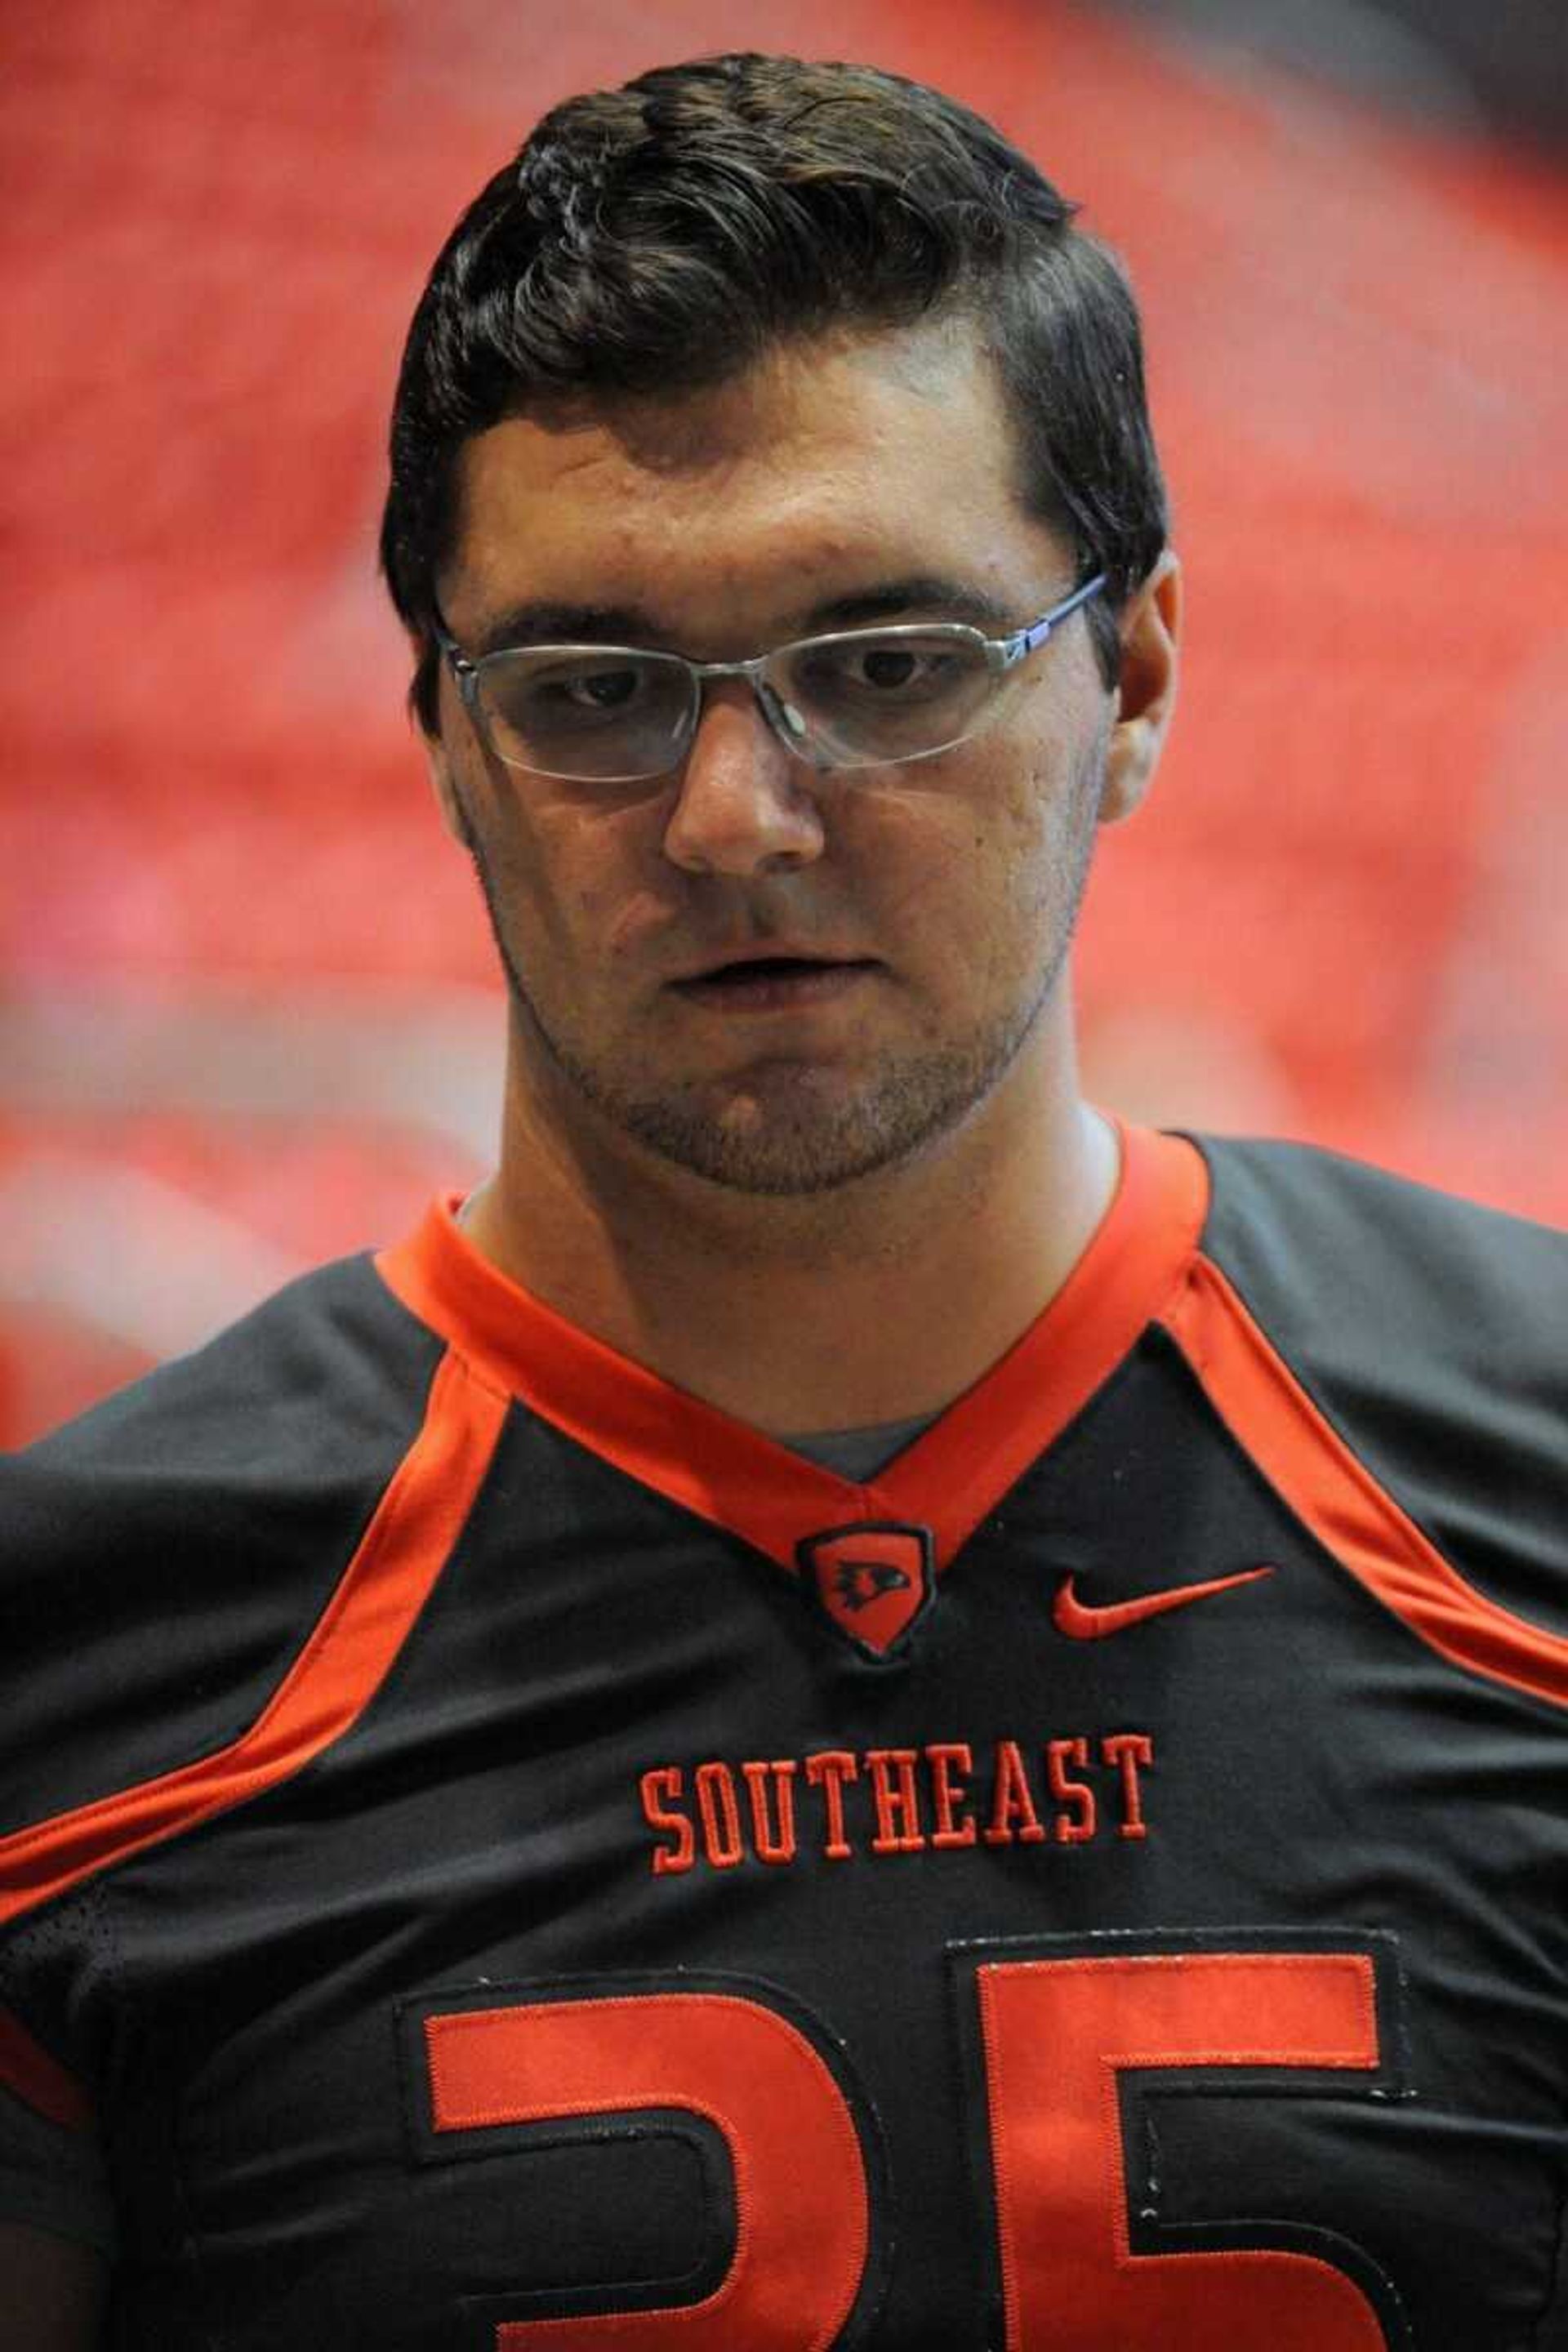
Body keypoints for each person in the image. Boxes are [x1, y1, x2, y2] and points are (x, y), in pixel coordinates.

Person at [2, 49, 1566, 2352]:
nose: (738, 810)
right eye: (597, 686)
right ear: (441, 735)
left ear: (1131, 678)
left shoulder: (1525, 1480)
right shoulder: (83, 1662)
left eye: (892, 664)